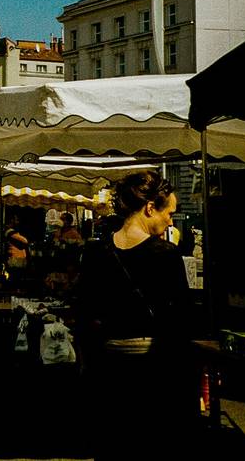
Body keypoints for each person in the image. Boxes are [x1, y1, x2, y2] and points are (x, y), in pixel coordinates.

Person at [73, 171, 196, 458]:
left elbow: (83, 312)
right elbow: (180, 320)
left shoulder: (96, 252)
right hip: (152, 373)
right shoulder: (165, 254)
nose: (171, 220)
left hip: (106, 371)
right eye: (169, 212)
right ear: (150, 207)